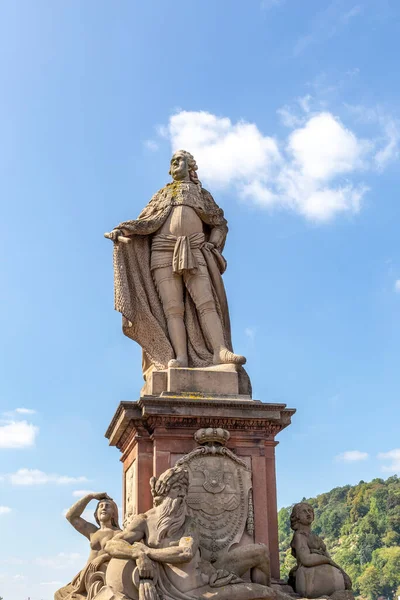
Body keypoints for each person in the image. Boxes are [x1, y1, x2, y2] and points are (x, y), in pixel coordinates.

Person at [106, 150, 250, 392]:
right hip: (162, 251)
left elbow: (219, 223)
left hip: (194, 249)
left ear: (190, 166)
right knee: (173, 309)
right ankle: (179, 357)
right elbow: (146, 222)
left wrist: (212, 244)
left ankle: (220, 351)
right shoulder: (162, 194)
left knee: (207, 303)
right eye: (172, 161)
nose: (175, 163)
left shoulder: (201, 194)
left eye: (180, 159)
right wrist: (123, 230)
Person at [102, 466, 273, 600]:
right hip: (196, 590)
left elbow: (186, 552)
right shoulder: (144, 520)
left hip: (209, 574)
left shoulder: (188, 523)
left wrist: (147, 552)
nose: (183, 493)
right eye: (178, 488)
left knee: (261, 552)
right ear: (165, 491)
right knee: (266, 594)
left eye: (185, 488)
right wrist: (137, 554)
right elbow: (111, 544)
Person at [55, 492, 121, 600]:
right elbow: (71, 516)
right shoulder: (93, 531)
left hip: (102, 576)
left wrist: (102, 558)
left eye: (107, 506)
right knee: (59, 594)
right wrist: (90, 496)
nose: (103, 508)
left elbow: (123, 551)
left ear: (114, 513)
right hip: (85, 575)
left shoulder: (119, 534)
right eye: (100, 506)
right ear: (96, 514)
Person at [289, 502, 352, 598]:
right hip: (309, 579)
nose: (308, 513)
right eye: (304, 511)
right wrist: (327, 560)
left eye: (310, 511)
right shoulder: (299, 536)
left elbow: (327, 557)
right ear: (297, 516)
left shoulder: (316, 538)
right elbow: (306, 559)